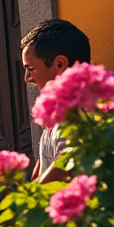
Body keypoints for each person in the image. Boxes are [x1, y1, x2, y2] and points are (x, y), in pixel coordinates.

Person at [21, 19, 92, 184]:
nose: (28, 78)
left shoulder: (81, 109)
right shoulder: (54, 119)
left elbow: (65, 167)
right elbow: (38, 178)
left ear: (60, 64)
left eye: (31, 69)